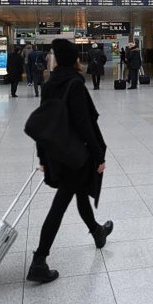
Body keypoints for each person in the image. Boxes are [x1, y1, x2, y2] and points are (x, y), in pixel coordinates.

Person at [28, 38, 112, 284]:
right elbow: (85, 124)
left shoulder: (50, 83)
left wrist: (42, 156)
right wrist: (99, 155)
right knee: (61, 203)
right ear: (76, 59)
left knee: (78, 192)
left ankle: (97, 232)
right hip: (75, 154)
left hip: (56, 152)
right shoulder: (75, 84)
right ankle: (39, 260)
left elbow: (44, 123)